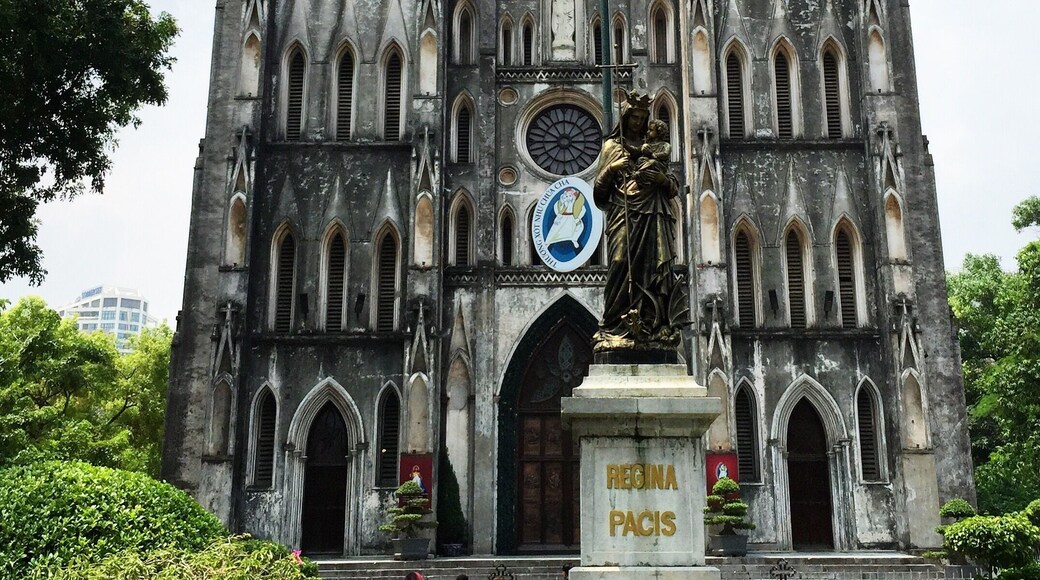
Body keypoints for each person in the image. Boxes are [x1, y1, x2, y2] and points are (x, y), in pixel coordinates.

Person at [592, 91, 681, 352]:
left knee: (655, 270)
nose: (637, 123)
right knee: (620, 262)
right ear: (626, 117)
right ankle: (613, 327)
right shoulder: (612, 147)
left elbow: (673, 184)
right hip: (624, 212)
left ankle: (651, 327)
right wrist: (611, 169)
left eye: (642, 118)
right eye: (634, 117)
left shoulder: (654, 149)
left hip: (653, 213)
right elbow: (599, 195)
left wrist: (661, 181)